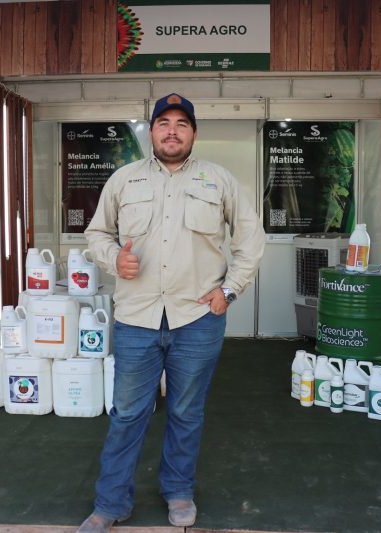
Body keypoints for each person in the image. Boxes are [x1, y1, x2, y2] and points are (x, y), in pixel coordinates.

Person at [78, 93, 265, 533]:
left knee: (186, 411)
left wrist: (229, 291)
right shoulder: (124, 180)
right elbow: (97, 232)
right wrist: (112, 259)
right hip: (136, 319)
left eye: (182, 123)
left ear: (194, 133)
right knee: (126, 413)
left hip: (197, 318)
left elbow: (251, 238)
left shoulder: (218, 181)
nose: (172, 131)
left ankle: (178, 491)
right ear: (152, 131)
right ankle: (110, 503)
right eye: (163, 122)